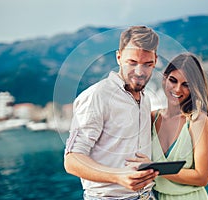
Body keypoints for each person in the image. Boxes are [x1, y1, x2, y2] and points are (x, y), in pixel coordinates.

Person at [64, 25, 160, 199]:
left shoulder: (145, 98)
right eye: (132, 62)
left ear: (156, 60)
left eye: (148, 64)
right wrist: (118, 176)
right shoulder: (96, 96)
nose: (139, 72)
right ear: (118, 57)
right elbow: (72, 160)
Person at [127, 53, 208, 199]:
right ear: (164, 79)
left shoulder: (197, 120)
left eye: (186, 85)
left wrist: (154, 167)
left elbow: (202, 177)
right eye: (173, 81)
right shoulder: (151, 118)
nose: (178, 89)